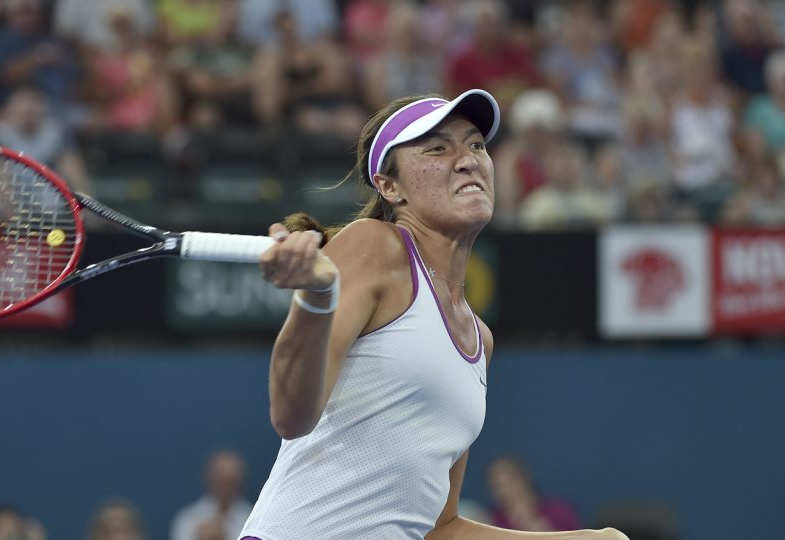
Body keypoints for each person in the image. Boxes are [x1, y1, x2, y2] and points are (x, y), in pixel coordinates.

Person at [242, 89, 628, 539]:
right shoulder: (374, 245)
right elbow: (290, 415)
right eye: (437, 148)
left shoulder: (479, 340)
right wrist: (314, 301)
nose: (467, 160)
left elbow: (437, 528)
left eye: (476, 144)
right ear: (390, 186)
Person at [170, 450, 253, 540]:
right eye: (222, 481)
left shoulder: (252, 520)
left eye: (233, 482)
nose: (227, 489)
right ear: (210, 479)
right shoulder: (187, 520)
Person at [487, 456, 583, 532]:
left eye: (509, 483)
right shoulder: (491, 521)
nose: (503, 491)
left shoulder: (559, 511)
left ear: (524, 478)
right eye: (497, 486)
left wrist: (546, 534)